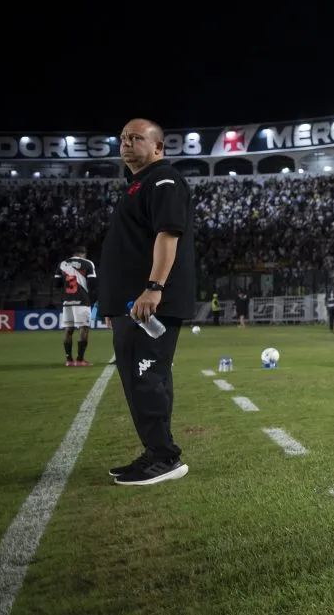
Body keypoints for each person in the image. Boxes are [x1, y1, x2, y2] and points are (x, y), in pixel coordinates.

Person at [98, 118, 195, 486]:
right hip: (131, 305)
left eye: (136, 138)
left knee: (147, 377)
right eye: (122, 138)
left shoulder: (164, 179)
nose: (125, 143)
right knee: (137, 379)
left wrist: (154, 287)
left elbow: (167, 235)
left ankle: (164, 458)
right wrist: (112, 304)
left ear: (158, 147)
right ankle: (154, 451)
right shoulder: (137, 185)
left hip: (150, 303)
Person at [55, 246, 97, 367]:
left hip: (67, 301)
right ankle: (80, 359)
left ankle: (69, 360)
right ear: (83, 253)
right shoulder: (88, 263)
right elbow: (93, 283)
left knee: (68, 330)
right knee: (83, 329)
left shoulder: (62, 264)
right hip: (82, 301)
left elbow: (57, 284)